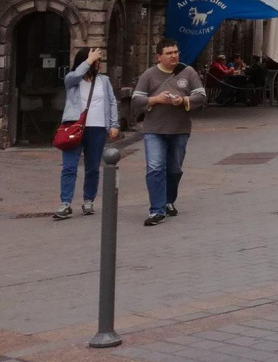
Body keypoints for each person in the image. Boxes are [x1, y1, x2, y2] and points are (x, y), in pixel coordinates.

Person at [131, 39, 206, 227]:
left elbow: (201, 96)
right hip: (153, 130)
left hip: (179, 129)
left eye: (175, 52)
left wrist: (183, 100)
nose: (174, 56)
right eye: (169, 53)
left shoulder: (188, 72)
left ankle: (168, 200)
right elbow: (136, 99)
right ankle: (157, 210)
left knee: (174, 169)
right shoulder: (149, 75)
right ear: (159, 56)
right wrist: (155, 99)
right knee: (155, 167)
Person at [53, 47, 119, 220]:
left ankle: (88, 200)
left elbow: (112, 102)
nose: (98, 64)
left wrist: (114, 124)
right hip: (73, 127)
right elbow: (74, 76)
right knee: (69, 167)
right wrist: (88, 60)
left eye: (98, 61)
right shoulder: (72, 80)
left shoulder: (104, 81)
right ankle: (65, 203)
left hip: (97, 128)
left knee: (92, 168)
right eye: (96, 61)